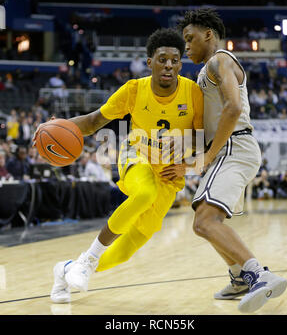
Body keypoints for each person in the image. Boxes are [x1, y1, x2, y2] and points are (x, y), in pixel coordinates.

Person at [33, 28, 204, 303]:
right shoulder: (134, 90)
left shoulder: (193, 92)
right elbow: (92, 122)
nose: (169, 65)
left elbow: (201, 137)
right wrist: (54, 126)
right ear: (150, 62)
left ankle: (65, 270)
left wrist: (188, 158)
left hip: (169, 175)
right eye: (162, 59)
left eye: (175, 59)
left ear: (180, 64)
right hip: (136, 155)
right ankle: (88, 259)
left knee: (125, 251)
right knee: (144, 192)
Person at [169, 8, 287, 313]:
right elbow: (208, 121)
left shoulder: (220, 60)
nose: (187, 46)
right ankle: (238, 277)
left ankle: (258, 275)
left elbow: (233, 109)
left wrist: (207, 156)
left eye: (190, 38)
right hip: (228, 148)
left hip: (233, 146)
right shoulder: (206, 69)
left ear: (208, 34)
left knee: (206, 221)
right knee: (205, 222)